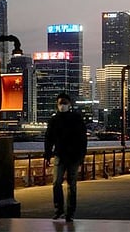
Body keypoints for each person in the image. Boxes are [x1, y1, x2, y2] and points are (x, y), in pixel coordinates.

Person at [44, 93, 87, 222]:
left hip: (73, 156)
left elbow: (82, 138)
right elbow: (49, 138)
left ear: (69, 104)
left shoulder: (76, 118)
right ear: (57, 105)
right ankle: (59, 210)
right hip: (60, 155)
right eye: (60, 103)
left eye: (64, 103)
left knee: (71, 185)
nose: (62, 105)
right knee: (57, 183)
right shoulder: (54, 120)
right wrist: (47, 154)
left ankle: (69, 212)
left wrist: (81, 155)